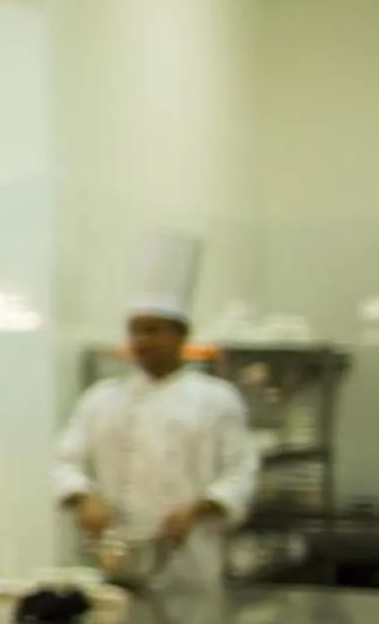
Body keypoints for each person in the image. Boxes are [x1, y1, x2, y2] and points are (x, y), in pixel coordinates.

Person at [55, 229, 260, 593]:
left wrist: (196, 511)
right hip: (110, 562)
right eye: (135, 331)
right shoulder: (100, 399)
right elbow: (64, 461)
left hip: (190, 564)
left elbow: (240, 472)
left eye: (154, 330)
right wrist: (85, 498)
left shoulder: (216, 400)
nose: (142, 341)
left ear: (182, 335)